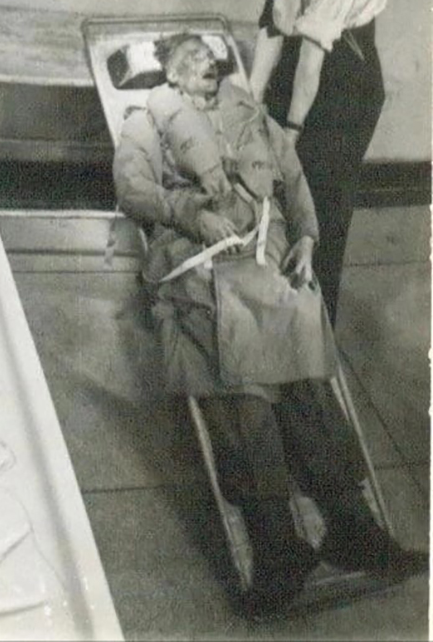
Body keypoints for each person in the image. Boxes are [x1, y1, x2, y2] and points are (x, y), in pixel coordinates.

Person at [113, 34, 427, 615]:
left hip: (268, 254)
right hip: (202, 264)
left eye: (210, 57)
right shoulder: (147, 123)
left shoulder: (250, 112)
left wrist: (306, 235)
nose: (207, 65)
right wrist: (191, 213)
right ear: (171, 75)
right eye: (192, 59)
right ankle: (277, 544)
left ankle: (351, 523)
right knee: (241, 378)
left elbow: (294, 176)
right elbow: (132, 189)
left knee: (303, 361)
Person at [250, 0, 387, 326]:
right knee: (278, 198)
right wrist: (250, 101)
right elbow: (272, 25)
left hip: (346, 78)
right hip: (301, 63)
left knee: (319, 208)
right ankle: (278, 319)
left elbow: (312, 63)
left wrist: (290, 135)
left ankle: (316, 329)